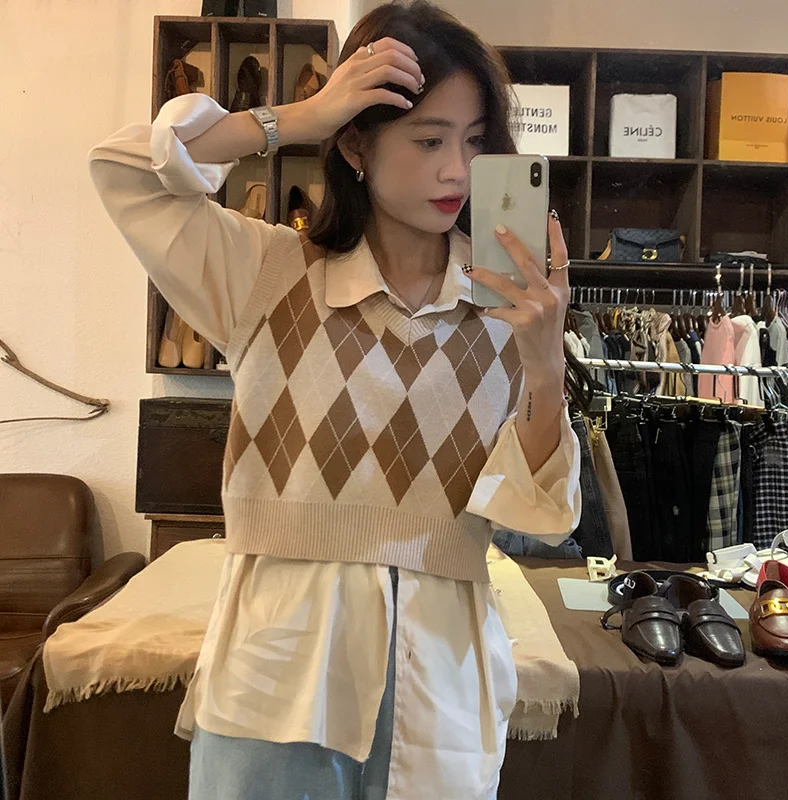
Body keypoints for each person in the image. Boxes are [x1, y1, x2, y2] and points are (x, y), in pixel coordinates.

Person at [88, 1, 586, 797]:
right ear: (356, 143)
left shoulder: (508, 307)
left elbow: (541, 513)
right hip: (280, 678)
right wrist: (300, 117)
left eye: (475, 142)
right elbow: (124, 169)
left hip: (440, 685)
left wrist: (543, 364)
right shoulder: (266, 275)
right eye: (428, 140)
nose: (457, 171)